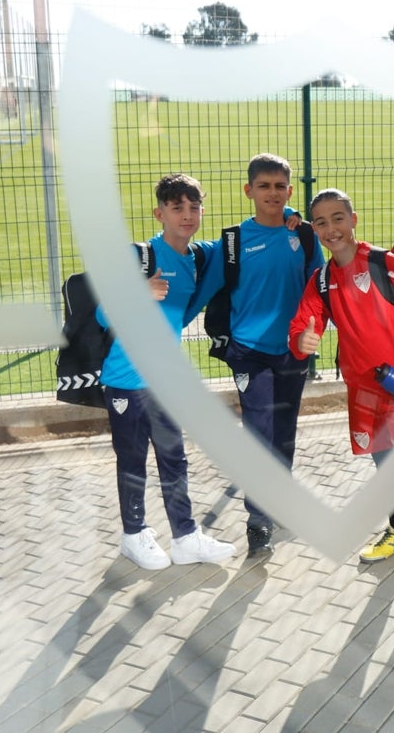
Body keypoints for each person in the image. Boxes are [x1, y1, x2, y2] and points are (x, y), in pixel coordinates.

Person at [288, 188, 394, 589]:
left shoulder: (385, 263)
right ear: (315, 228)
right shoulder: (323, 279)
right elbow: (302, 323)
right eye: (322, 222)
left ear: (354, 219)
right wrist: (302, 341)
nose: (331, 229)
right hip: (363, 390)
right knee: (384, 465)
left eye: (338, 218)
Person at [98, 173, 235, 571]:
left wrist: (292, 216)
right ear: (160, 213)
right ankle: (133, 534)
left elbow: (240, 240)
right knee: (133, 460)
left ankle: (185, 537)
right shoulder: (139, 256)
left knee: (174, 459)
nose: (187, 215)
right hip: (125, 380)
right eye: (177, 208)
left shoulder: (196, 259)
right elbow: (103, 313)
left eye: (194, 207)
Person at [202, 153, 324, 557]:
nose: (272, 193)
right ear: (249, 190)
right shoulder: (234, 241)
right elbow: (206, 290)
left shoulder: (303, 236)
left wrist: (313, 332)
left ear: (290, 191)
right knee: (259, 431)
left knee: (284, 431)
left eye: (279, 187)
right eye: (264, 186)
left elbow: (319, 291)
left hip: (291, 351)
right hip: (249, 353)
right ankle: (258, 520)